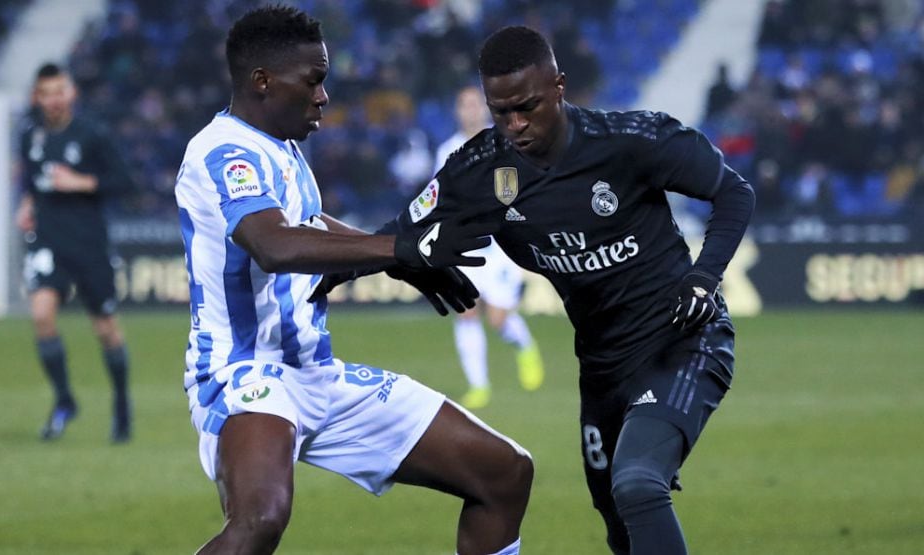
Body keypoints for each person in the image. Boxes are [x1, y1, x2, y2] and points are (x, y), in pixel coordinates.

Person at [363, 26, 755, 554]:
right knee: (619, 525)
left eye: (527, 107)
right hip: (602, 368)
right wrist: (316, 269)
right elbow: (396, 237)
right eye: (500, 112)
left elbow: (733, 191)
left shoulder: (631, 141)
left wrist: (704, 279)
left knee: (638, 484)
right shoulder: (481, 169)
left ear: (559, 86)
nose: (515, 125)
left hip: (680, 342)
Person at [173, 7, 532, 554]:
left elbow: (315, 232)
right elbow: (273, 245)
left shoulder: (284, 149)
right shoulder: (224, 152)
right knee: (261, 518)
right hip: (243, 373)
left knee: (504, 473)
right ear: (262, 82)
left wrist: (400, 257)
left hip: (315, 373)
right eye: (313, 81)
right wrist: (399, 248)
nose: (323, 97)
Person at [16, 63, 134, 443]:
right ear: (38, 97)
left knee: (106, 330)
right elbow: (32, 182)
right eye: (45, 93)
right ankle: (65, 400)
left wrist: (80, 181)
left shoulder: (93, 134)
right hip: (48, 241)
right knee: (41, 315)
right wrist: (27, 204)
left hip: (89, 245)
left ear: (71, 94)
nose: (52, 99)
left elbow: (125, 182)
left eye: (58, 91)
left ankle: (121, 404)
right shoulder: (28, 135)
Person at [434, 85, 544, 409]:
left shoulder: (501, 144)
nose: (469, 111)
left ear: (484, 110)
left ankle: (524, 346)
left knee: (498, 319)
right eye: (463, 105)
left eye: (474, 105)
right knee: (466, 313)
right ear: (457, 111)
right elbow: (440, 197)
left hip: (498, 247)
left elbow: (511, 191)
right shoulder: (446, 151)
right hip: (464, 247)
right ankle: (479, 386)